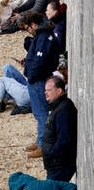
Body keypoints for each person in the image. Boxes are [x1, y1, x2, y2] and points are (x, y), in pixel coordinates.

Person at [20, 12, 60, 148]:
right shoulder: (43, 35)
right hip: (38, 78)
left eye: (27, 28)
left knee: (41, 113)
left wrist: (31, 76)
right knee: (39, 113)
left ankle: (43, 145)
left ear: (33, 24)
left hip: (38, 79)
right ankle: (40, 141)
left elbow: (40, 60)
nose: (28, 32)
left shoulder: (43, 37)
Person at [41, 75, 77, 180]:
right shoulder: (58, 107)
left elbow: (64, 139)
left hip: (59, 166)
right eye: (45, 90)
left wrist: (52, 155)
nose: (45, 93)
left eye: (49, 90)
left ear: (59, 91)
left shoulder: (63, 110)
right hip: (55, 165)